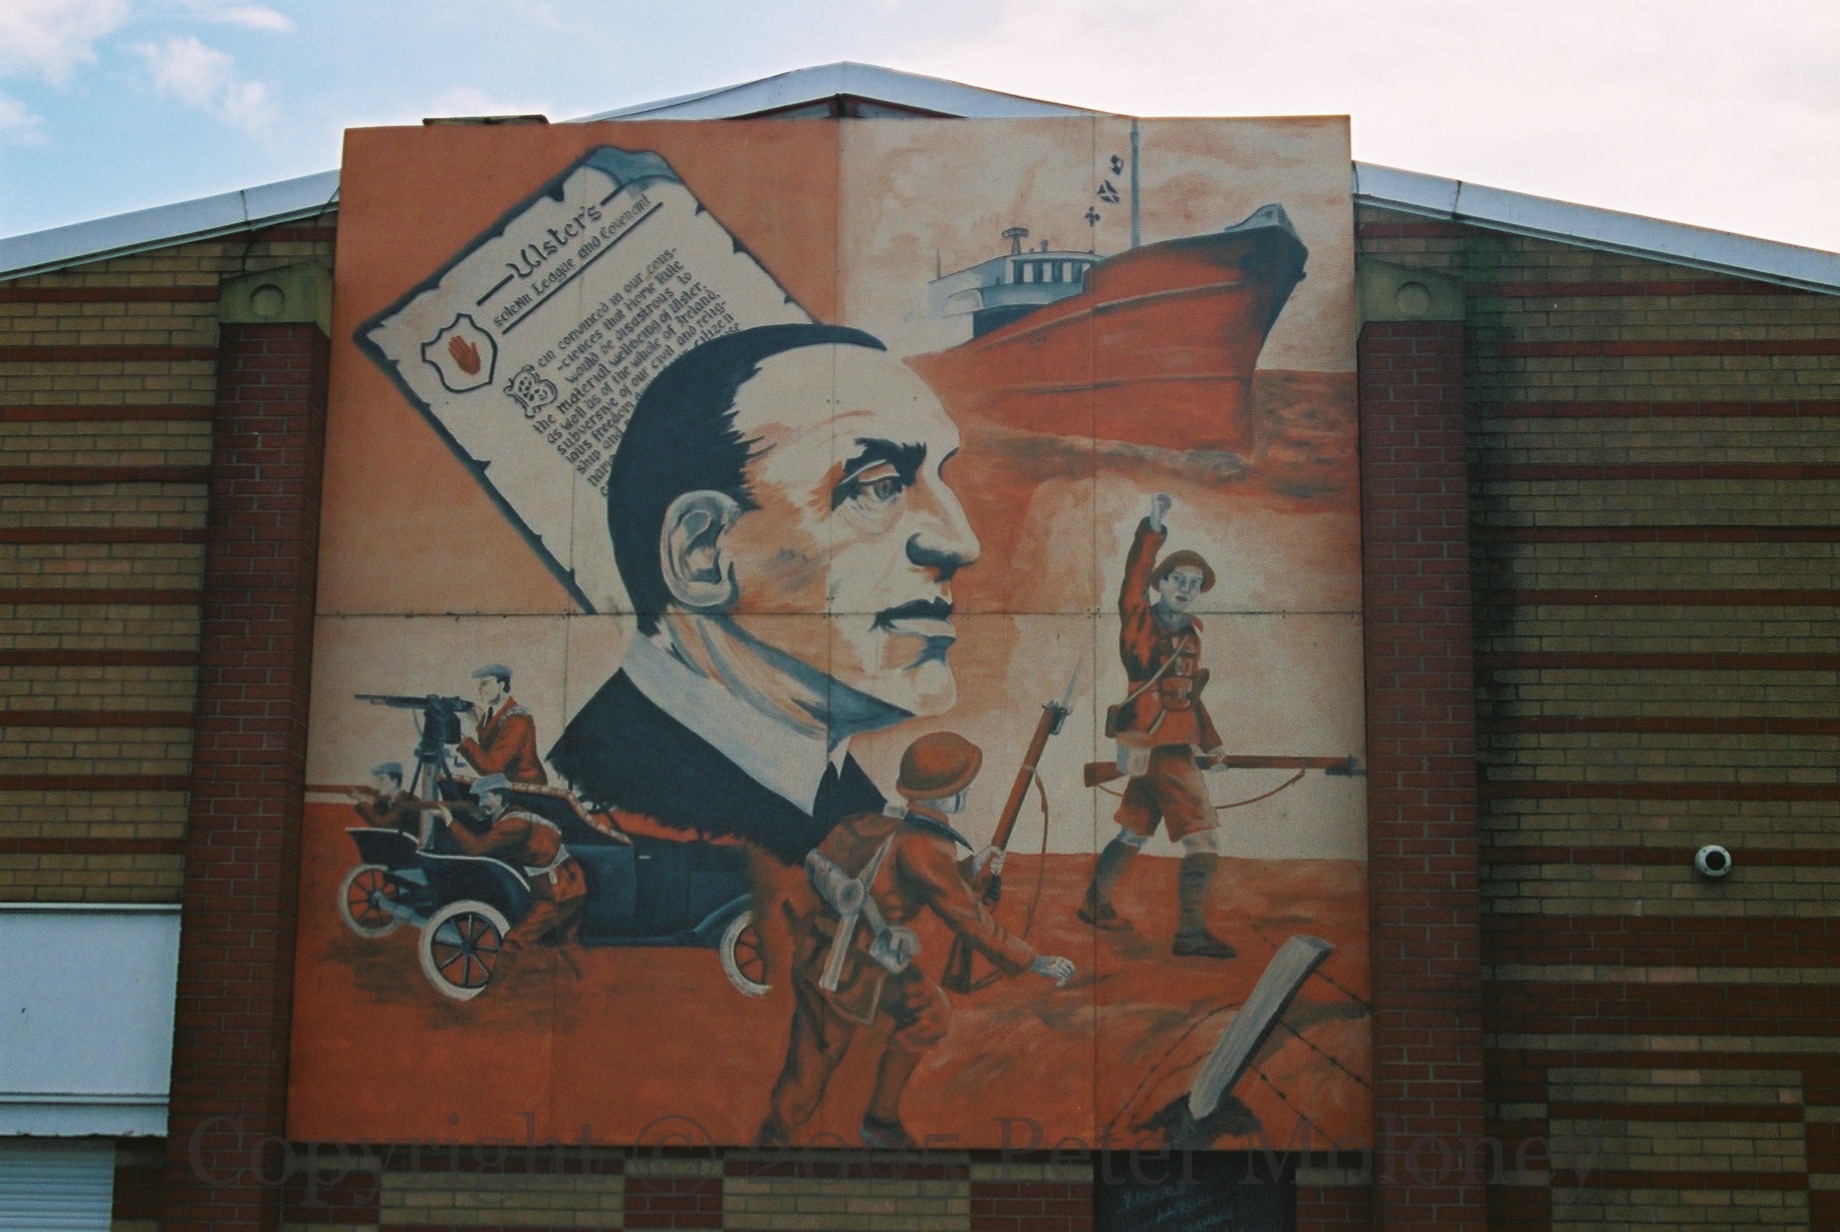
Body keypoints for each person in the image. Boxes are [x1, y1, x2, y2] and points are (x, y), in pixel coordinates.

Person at [549, 324, 981, 865]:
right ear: (702, 554)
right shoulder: (607, 811)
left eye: (940, 476)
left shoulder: (839, 802)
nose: (961, 543)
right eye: (880, 485)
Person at [758, 732, 1074, 1149]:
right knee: (811, 1068)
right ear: (948, 796)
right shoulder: (925, 846)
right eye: (963, 786)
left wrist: (969, 868)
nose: (967, 794)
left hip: (841, 953)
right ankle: (774, 1145)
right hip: (843, 971)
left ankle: (881, 1121)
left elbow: (905, 878)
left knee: (927, 1012)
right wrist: (1033, 961)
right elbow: (969, 918)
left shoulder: (882, 822)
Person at [1081, 492, 1236, 959]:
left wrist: (1211, 743)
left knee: (1133, 831)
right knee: (1202, 838)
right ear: (1160, 583)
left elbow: (1189, 697)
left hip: (1164, 747)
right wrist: (1152, 527)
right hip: (1159, 748)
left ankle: (1093, 903)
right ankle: (1190, 933)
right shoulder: (1139, 623)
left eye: (1194, 583)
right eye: (1177, 580)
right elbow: (1132, 581)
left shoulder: (1191, 635)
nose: (1186, 589)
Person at [436, 774, 585, 980]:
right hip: (569, 883)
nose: (480, 803)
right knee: (565, 944)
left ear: (498, 798)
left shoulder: (512, 825)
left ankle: (494, 988)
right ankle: (576, 981)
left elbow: (476, 848)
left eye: (484, 798)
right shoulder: (515, 814)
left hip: (557, 890)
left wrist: (449, 820)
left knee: (514, 940)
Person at [457, 663, 548, 785]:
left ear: (501, 686)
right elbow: (491, 752)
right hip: (509, 785)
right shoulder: (497, 714)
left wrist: (463, 740)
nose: (479, 689)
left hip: (526, 787)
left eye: (485, 684)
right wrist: (480, 726)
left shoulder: (517, 720)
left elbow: (490, 768)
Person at [348, 762, 423, 835]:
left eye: (381, 780)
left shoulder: (408, 800)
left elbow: (381, 824)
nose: (376, 784)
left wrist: (362, 800)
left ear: (394, 782)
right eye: (376, 780)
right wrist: (370, 804)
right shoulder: (386, 801)